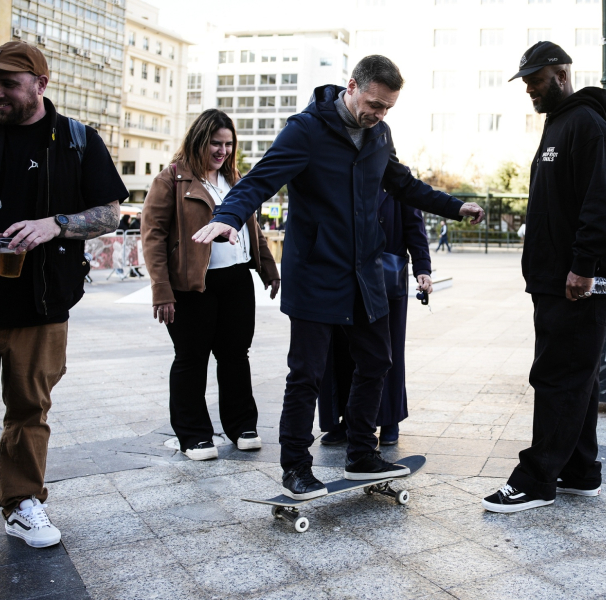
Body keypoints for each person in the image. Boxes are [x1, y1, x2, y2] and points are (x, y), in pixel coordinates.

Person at [192, 55, 484, 500]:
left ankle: (362, 452)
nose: (378, 115)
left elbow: (405, 185)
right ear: (351, 86)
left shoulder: (378, 134)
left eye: (387, 108)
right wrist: (229, 215)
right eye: (373, 104)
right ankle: (295, 467)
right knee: (306, 373)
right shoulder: (305, 130)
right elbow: (258, 181)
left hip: (365, 274)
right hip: (317, 273)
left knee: (377, 362)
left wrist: (454, 206)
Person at [0, 41, 126, 576]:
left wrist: (55, 224)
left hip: (41, 306)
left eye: (8, 82)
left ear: (40, 83)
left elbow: (109, 213)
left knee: (30, 410)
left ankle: (22, 504)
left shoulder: (78, 140)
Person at [482, 41, 606, 513]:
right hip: (554, 279)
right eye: (525, 82)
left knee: (558, 376)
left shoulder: (589, 127)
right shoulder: (559, 124)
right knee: (576, 375)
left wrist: (583, 266)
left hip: (578, 283)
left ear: (560, 75)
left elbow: (601, 205)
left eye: (535, 80)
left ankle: (536, 477)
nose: (529, 89)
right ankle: (581, 470)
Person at [141, 109, 280, 461]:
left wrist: (268, 269)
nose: (222, 151)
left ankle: (242, 426)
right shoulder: (171, 180)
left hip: (236, 281)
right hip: (191, 286)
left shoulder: (235, 180)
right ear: (198, 140)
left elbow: (253, 230)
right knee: (191, 358)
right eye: (215, 143)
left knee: (236, 355)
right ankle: (194, 435)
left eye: (229, 144)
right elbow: (152, 238)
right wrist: (161, 289)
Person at [318, 189, 433, 447]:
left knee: (387, 352)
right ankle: (347, 420)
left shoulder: (397, 179)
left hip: (386, 279)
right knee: (343, 349)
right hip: (344, 274)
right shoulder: (341, 170)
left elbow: (415, 226)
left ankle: (389, 419)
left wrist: (422, 268)